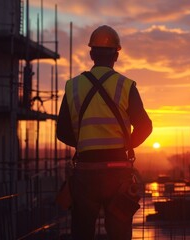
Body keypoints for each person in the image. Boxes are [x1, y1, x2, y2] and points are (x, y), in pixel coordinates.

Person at [57, 25, 152, 240]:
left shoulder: (73, 87)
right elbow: (145, 126)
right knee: (119, 234)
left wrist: (85, 144)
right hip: (118, 173)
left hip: (85, 173)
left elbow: (62, 131)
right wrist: (125, 146)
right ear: (116, 55)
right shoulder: (126, 86)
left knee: (82, 232)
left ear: (91, 54)